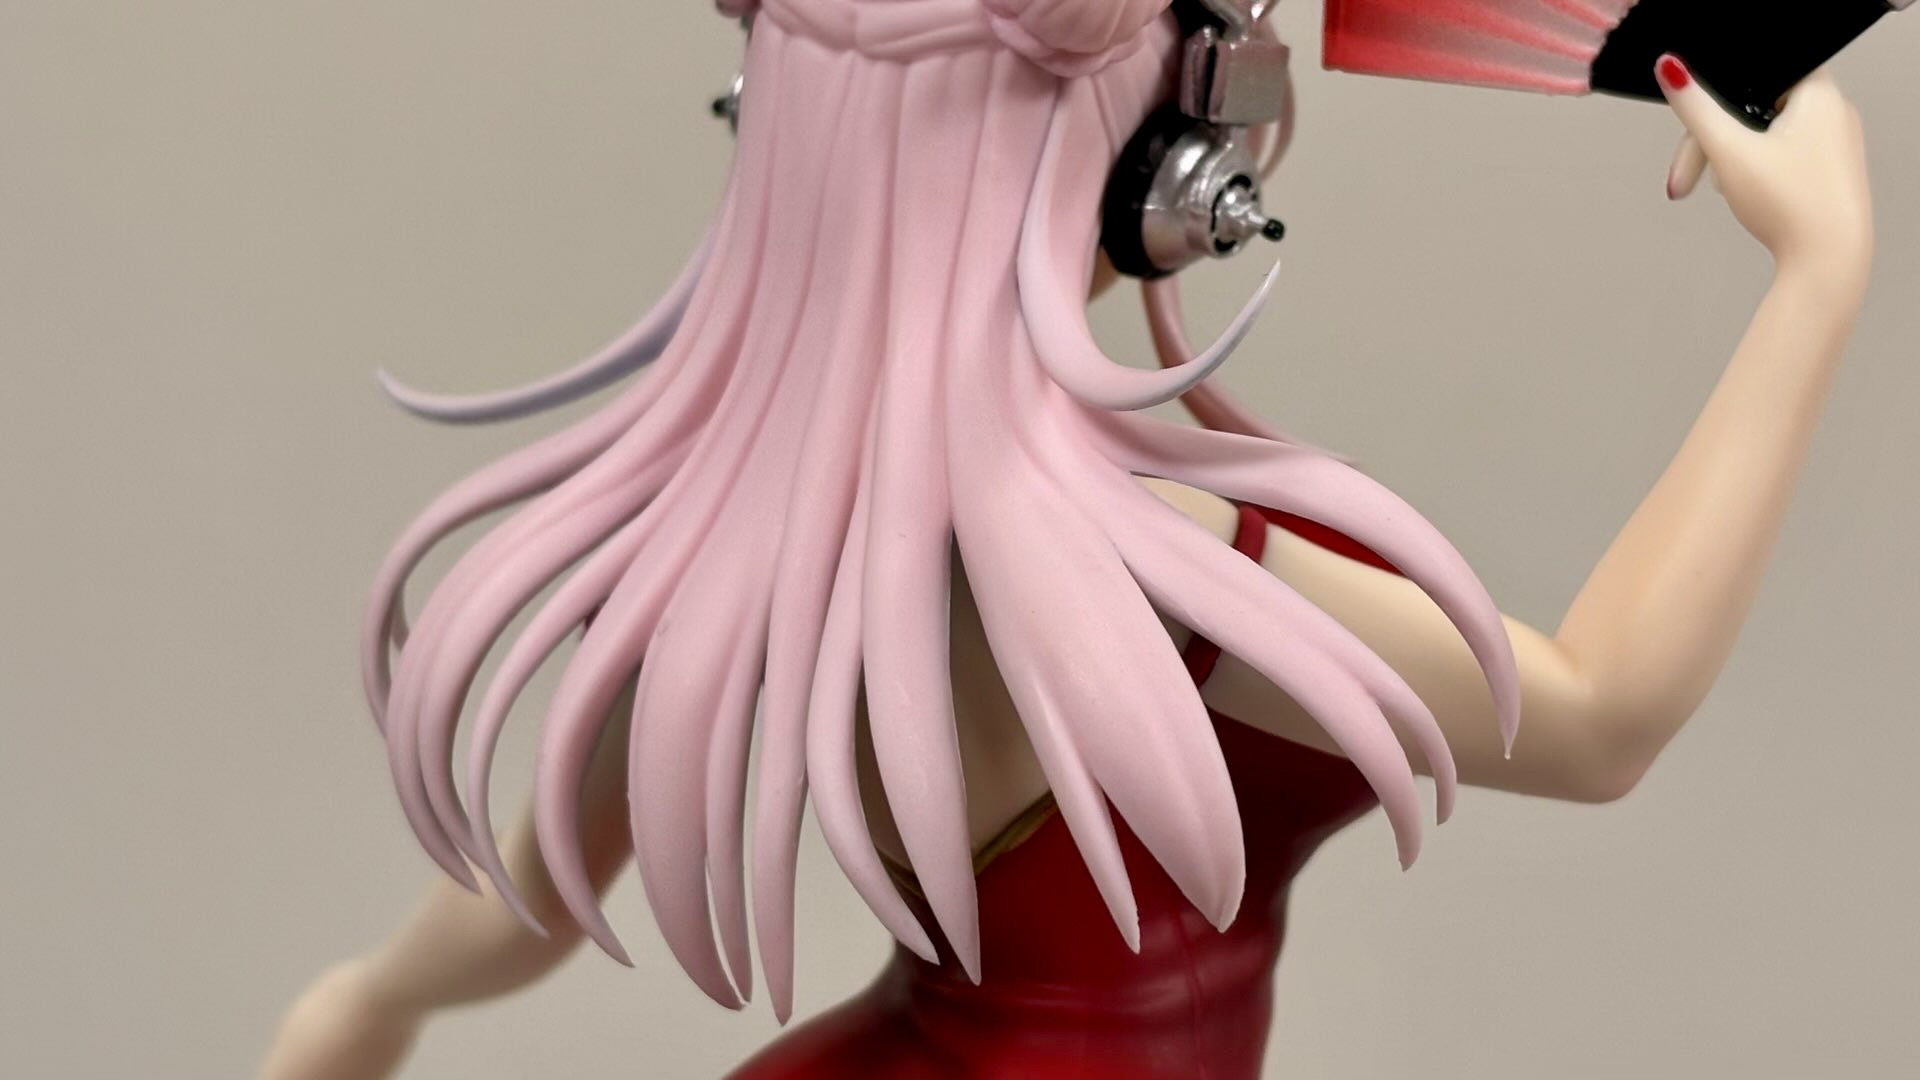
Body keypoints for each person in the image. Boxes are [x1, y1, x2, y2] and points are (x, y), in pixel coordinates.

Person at [259, 2, 1878, 1076]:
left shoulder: (758, 500)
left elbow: (535, 892)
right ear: (1158, 170)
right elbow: (1599, 716)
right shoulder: (1152, 564)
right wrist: (1817, 278)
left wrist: (365, 1004)